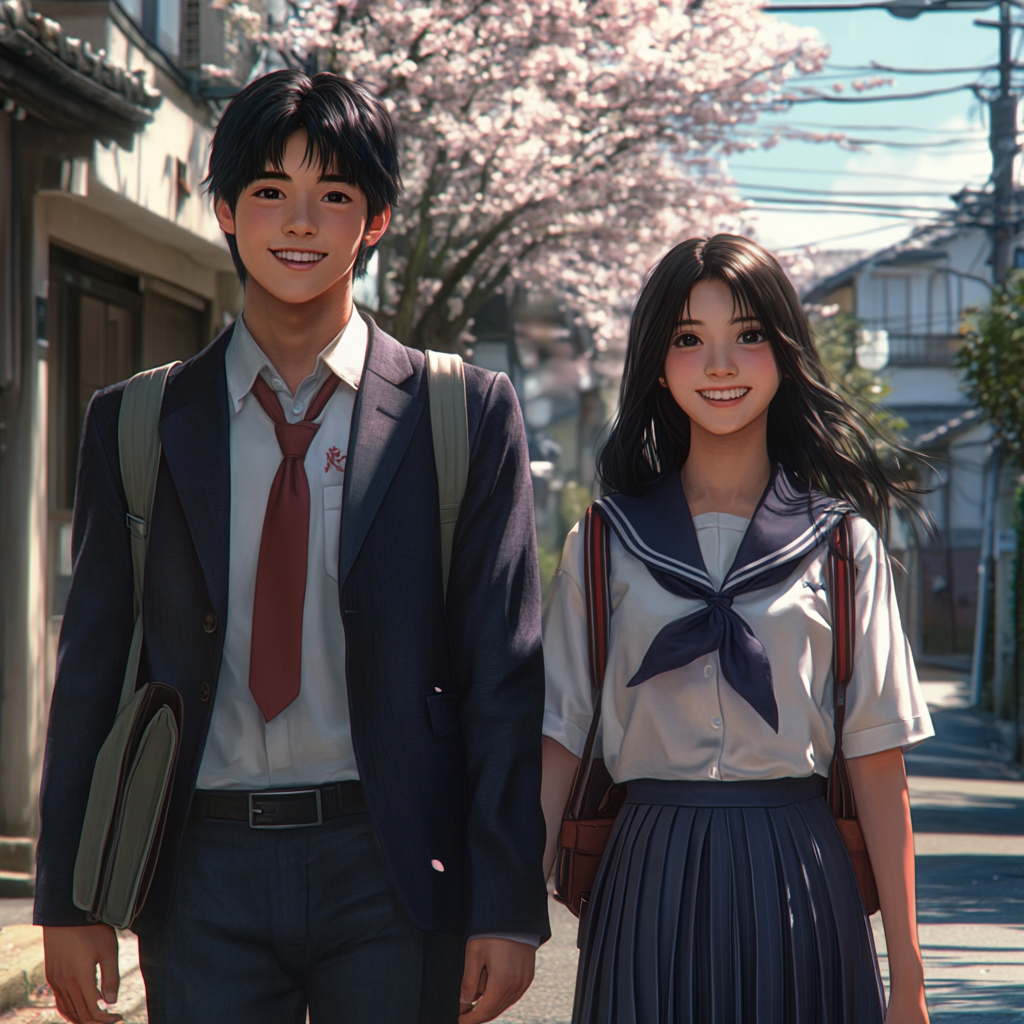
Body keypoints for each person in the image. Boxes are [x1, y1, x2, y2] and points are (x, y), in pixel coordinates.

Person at [36, 69, 549, 1024]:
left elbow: (504, 675)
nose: (301, 223)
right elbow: (93, 663)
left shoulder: (464, 413)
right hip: (198, 865)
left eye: (335, 196)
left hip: (393, 865)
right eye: (270, 192)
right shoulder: (138, 422)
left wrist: (508, 903)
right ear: (225, 209)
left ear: (378, 220)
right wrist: (68, 893)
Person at [540, 235, 933, 1024]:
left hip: (800, 872)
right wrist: (511, 923)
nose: (721, 364)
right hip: (645, 872)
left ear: (784, 353)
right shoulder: (604, 541)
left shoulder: (842, 544)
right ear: (657, 362)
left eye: (749, 336)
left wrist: (911, 977)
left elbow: (878, 764)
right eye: (689, 340)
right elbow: (558, 736)